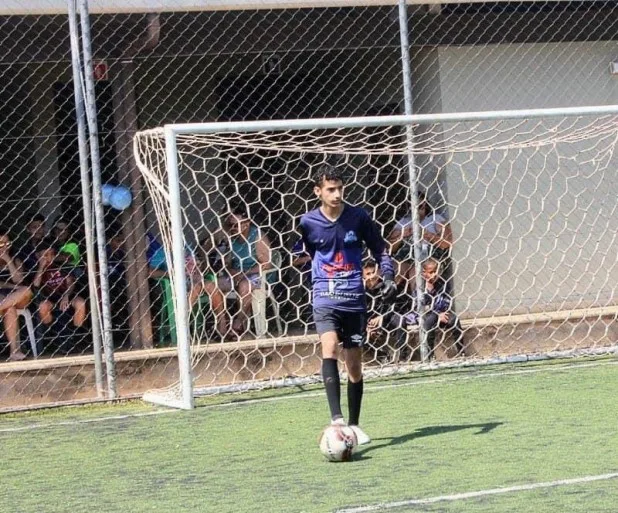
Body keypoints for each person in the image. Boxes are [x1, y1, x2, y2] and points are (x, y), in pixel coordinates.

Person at [298, 165, 396, 445]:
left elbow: (380, 248)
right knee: (329, 347)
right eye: (330, 189)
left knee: (354, 366)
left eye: (340, 188)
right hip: (325, 296)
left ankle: (353, 424)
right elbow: (304, 251)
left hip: (354, 299)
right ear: (318, 191)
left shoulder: (358, 217)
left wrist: (387, 276)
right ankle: (337, 419)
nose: (337, 194)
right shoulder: (308, 222)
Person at [406, 258, 465, 358]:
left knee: (454, 320)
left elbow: (446, 302)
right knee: (431, 319)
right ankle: (430, 354)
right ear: (424, 273)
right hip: (426, 316)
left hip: (442, 314)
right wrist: (436, 313)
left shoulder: (443, 284)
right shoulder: (420, 287)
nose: (434, 275)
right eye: (431, 272)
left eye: (435, 272)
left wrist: (439, 312)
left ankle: (461, 350)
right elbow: (419, 307)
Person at [32, 240, 87, 330]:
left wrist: (66, 295)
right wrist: (41, 266)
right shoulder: (36, 268)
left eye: (52, 254)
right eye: (45, 255)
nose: (49, 257)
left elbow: (70, 282)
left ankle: (76, 333)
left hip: (68, 295)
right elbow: (36, 284)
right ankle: (51, 332)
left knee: (80, 303)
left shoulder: (61, 265)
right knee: (43, 306)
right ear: (38, 256)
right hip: (50, 298)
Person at [0, 228, 33, 360]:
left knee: (26, 290)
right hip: (3, 297)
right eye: (1, 244)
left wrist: (8, 260)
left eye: (8, 244)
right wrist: (11, 286)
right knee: (10, 309)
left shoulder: (16, 258)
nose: (5, 247)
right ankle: (14, 351)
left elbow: (19, 280)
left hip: (16, 295)